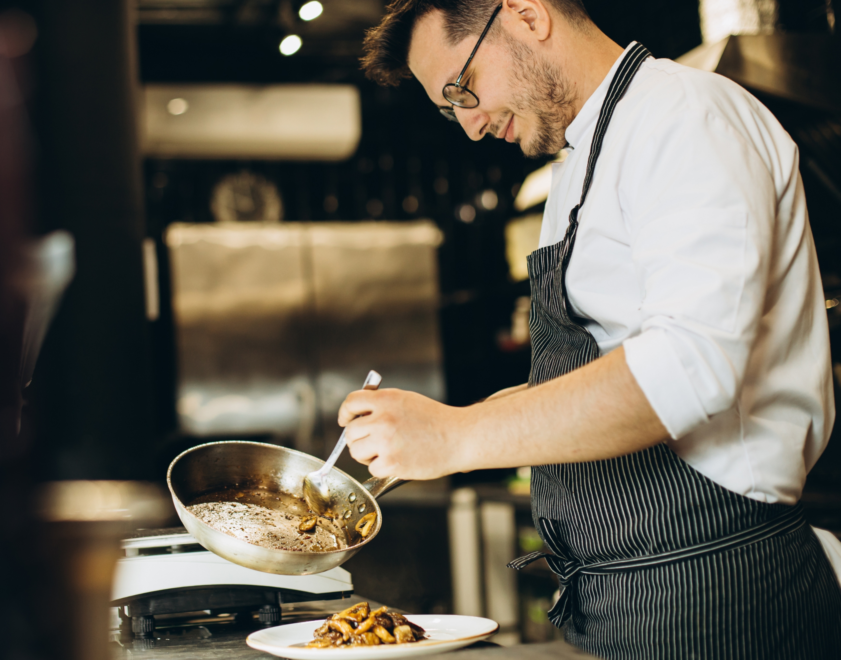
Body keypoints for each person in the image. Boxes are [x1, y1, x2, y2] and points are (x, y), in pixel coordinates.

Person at [339, 1, 841, 656]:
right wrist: (417, 434)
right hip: (621, 596)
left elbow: (688, 369)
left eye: (463, 90)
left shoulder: (685, 116)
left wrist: (456, 438)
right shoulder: (577, 164)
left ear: (524, 14)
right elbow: (590, 378)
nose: (468, 125)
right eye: (447, 108)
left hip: (715, 593)